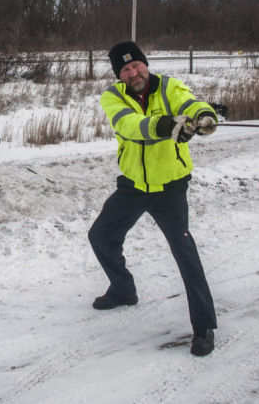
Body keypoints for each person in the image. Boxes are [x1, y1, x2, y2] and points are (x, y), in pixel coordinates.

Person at [88, 41, 219, 357]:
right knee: (101, 236)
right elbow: (128, 125)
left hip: (170, 188)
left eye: (137, 65)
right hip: (133, 186)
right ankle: (123, 290)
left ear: (146, 64)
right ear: (120, 75)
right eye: (126, 69)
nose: (134, 72)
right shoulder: (112, 96)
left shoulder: (169, 87)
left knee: (184, 251)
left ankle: (203, 327)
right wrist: (166, 125)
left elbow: (190, 103)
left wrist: (201, 117)